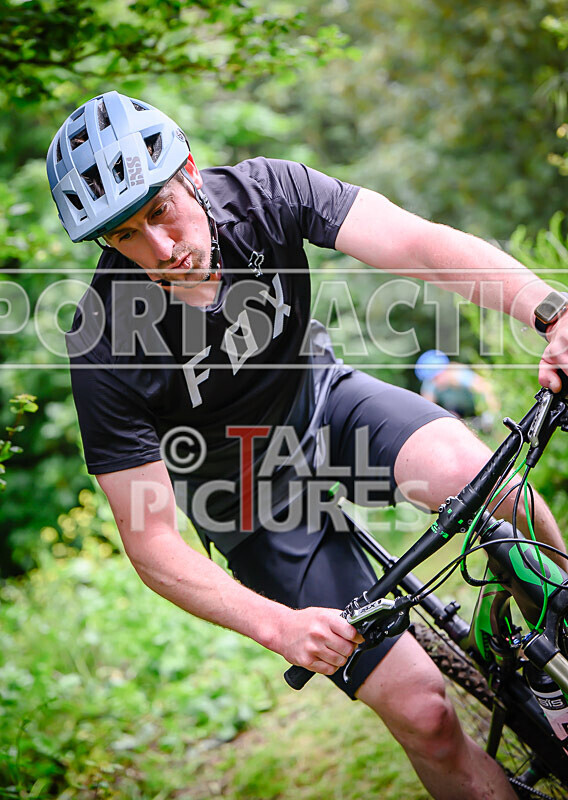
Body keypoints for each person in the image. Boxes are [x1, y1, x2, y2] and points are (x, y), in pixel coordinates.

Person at [47, 91, 568, 800]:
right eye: (124, 236)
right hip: (249, 501)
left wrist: (550, 312)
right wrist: (280, 628)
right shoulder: (103, 342)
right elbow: (151, 544)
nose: (160, 250)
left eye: (160, 211)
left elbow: (416, 243)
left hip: (324, 402)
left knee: (494, 488)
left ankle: (552, 665)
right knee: (423, 714)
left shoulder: (267, 192)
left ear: (190, 172)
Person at [415, 349, 500, 432]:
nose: (435, 383)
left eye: (436, 378)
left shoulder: (460, 375)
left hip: (479, 407)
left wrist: (493, 414)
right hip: (458, 412)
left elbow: (487, 389)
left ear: (445, 370)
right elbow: (426, 409)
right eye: (432, 380)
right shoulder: (430, 383)